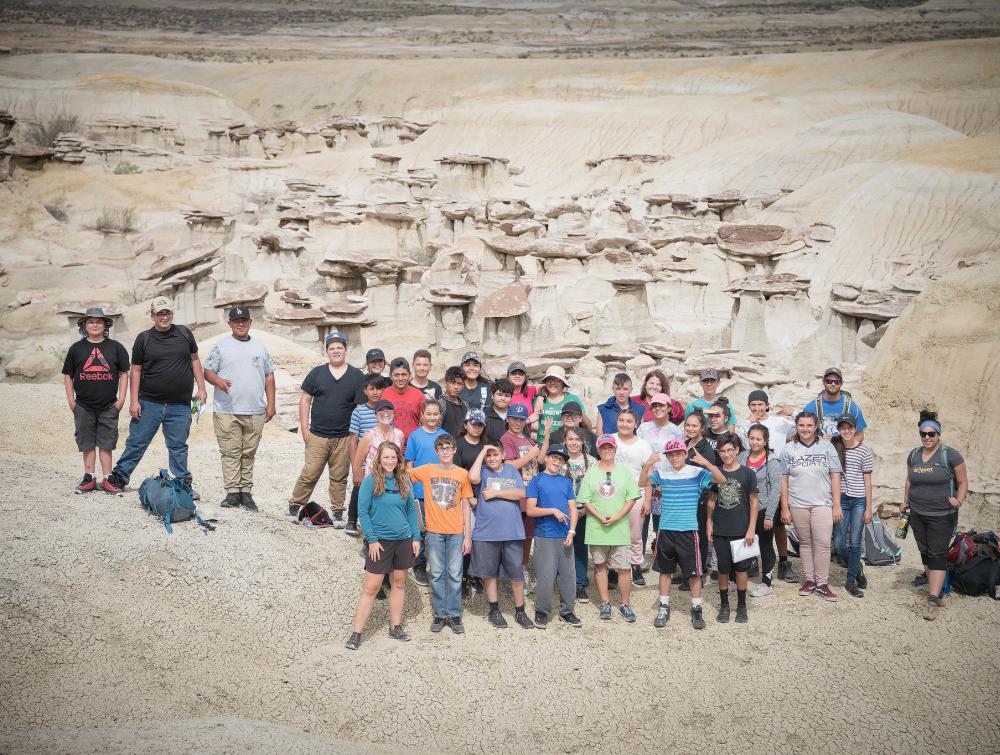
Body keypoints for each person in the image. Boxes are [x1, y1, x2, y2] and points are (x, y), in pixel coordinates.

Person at [105, 296, 207, 496]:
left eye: (167, 312)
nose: (164, 317)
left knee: (178, 446)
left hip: (180, 405)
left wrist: (201, 389)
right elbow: (135, 370)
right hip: (149, 403)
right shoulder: (144, 339)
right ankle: (119, 478)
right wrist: (134, 401)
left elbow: (195, 360)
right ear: (152, 316)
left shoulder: (184, 334)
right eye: (160, 313)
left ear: (172, 314)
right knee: (137, 442)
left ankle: (183, 484)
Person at [641, 440, 726, 630]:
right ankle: (664, 606)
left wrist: (706, 463)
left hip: (688, 530)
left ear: (684, 454)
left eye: (678, 453)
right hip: (666, 529)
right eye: (670, 454)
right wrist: (648, 464)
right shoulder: (662, 473)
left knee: (694, 572)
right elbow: (642, 482)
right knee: (665, 570)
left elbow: (721, 480)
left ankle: (697, 609)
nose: (674, 457)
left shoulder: (696, 473)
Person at [345, 441, 421, 650]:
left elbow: (411, 511)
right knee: (371, 587)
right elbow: (363, 512)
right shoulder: (371, 481)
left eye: (393, 458)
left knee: (399, 583)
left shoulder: (404, 479)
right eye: (386, 457)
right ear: (379, 459)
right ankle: (356, 633)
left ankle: (395, 626)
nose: (389, 461)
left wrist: (416, 537)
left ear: (399, 460)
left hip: (403, 539)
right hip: (380, 541)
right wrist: (372, 539)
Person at [287, 331, 365, 526]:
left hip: (344, 436)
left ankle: (338, 513)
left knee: (339, 477)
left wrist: (357, 436)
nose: (336, 351)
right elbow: (305, 399)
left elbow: (359, 408)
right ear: (327, 351)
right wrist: (304, 429)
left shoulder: (357, 375)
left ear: (346, 350)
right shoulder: (317, 373)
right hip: (317, 435)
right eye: (332, 348)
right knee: (309, 473)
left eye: (340, 347)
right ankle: (294, 507)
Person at [203, 306, 276, 511]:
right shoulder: (221, 346)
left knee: (249, 452)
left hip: (255, 410)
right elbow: (207, 371)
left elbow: (269, 375)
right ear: (230, 324)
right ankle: (233, 493)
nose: (241, 324)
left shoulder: (260, 347)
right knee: (231, 451)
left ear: (251, 322)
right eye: (236, 321)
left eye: (244, 320)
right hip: (227, 410)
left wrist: (271, 404)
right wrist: (218, 380)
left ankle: (246, 492)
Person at [902, 410, 968, 621]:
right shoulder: (913, 454)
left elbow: (963, 481)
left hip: (942, 514)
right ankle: (937, 594)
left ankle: (932, 600)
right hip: (917, 513)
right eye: (924, 434)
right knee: (925, 552)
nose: (927, 438)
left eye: (932, 434)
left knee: (937, 554)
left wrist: (959, 500)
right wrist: (905, 501)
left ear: (939, 434)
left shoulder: (950, 455)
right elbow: (909, 481)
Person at [409, 434, 474, 634]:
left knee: (455, 574)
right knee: (436, 573)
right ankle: (439, 613)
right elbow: (403, 475)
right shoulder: (428, 470)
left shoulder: (462, 474)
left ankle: (454, 614)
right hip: (435, 531)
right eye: (441, 448)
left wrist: (468, 536)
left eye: (449, 448)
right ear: (437, 451)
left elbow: (465, 505)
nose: (445, 451)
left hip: (456, 532)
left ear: (455, 450)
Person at [62, 307, 129, 494]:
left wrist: (122, 399)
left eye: (99, 322)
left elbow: (124, 374)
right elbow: (68, 376)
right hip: (83, 405)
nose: (95, 325)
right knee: (87, 442)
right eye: (90, 322)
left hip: (109, 405)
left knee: (107, 442)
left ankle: (108, 478)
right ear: (84, 325)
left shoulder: (116, 347)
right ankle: (89, 477)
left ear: (105, 325)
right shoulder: (76, 349)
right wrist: (71, 401)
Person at [468, 445, 535, 630]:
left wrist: (496, 493)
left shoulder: (511, 470)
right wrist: (482, 452)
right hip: (486, 532)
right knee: (489, 573)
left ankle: (520, 610)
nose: (491, 458)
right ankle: (494, 609)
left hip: (511, 530)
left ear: (503, 455)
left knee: (516, 572)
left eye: (495, 454)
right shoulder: (482, 471)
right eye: (488, 455)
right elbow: (472, 477)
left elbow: (522, 493)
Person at [779, 411, 843, 602]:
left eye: (809, 425)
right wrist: (785, 508)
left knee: (823, 543)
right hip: (798, 503)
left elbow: (835, 475)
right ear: (796, 427)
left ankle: (822, 584)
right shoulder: (788, 449)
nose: (805, 429)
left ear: (816, 427)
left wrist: (837, 505)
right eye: (801, 425)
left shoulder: (827, 447)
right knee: (805, 543)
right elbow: (783, 480)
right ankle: (809, 580)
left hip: (822, 503)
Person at [577, 434, 641, 622]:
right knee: (600, 566)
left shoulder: (624, 472)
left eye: (610, 447)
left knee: (623, 568)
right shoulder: (591, 473)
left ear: (615, 449)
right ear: (598, 449)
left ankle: (624, 603)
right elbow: (585, 500)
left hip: (619, 528)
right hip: (597, 528)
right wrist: (599, 516)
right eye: (603, 447)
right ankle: (605, 603)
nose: (607, 449)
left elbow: (631, 498)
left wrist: (617, 517)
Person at [738, 389, 798, 582]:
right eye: (753, 405)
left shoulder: (779, 422)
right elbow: (744, 444)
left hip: (776, 473)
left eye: (760, 404)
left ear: (767, 405)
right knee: (751, 524)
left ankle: (783, 561)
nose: (757, 408)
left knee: (778, 525)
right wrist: (749, 421)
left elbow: (801, 427)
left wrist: (792, 411)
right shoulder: (747, 425)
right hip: (754, 475)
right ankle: (753, 560)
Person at [526, 445, 581, 628]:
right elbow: (530, 510)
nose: (557, 461)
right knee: (546, 576)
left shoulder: (565, 482)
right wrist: (552, 511)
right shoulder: (536, 481)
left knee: (568, 576)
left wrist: (572, 531)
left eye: (561, 459)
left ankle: (567, 611)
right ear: (547, 458)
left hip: (565, 535)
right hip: (545, 535)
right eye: (554, 457)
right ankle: (542, 611)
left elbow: (573, 509)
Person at [707, 433, 759, 624]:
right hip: (721, 529)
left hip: (741, 529)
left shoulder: (747, 473)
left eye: (730, 450)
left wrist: (751, 528)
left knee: (741, 569)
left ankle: (742, 606)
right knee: (722, 569)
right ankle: (724, 605)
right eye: (722, 451)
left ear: (737, 450)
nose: (726, 454)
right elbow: (711, 500)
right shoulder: (716, 473)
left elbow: (754, 501)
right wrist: (709, 523)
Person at [404, 400, 446, 586]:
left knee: (436, 529)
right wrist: (410, 488)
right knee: (419, 531)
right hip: (420, 490)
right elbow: (409, 463)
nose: (432, 417)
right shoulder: (415, 436)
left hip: (439, 489)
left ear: (440, 415)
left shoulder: (444, 436)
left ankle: (437, 564)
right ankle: (419, 565)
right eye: (428, 414)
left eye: (435, 414)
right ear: (422, 414)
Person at [832, 414, 874, 598]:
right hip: (840, 499)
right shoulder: (834, 448)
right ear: (839, 429)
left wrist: (868, 508)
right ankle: (857, 567)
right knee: (839, 544)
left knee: (855, 542)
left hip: (858, 500)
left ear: (855, 429)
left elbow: (867, 480)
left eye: (849, 428)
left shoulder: (864, 451)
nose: (846, 431)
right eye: (843, 428)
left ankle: (850, 581)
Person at [739, 424, 783, 598]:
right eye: (752, 438)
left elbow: (775, 489)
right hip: (743, 509)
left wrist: (770, 515)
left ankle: (766, 582)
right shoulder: (742, 457)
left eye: (758, 439)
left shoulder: (771, 461)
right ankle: (738, 577)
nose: (754, 442)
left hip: (763, 509)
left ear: (765, 441)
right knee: (742, 543)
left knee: (765, 545)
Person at [501, 402, 540, 592]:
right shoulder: (506, 439)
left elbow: (538, 461)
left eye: (521, 419)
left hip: (530, 495)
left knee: (528, 536)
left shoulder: (528, 440)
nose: (517, 422)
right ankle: (513, 573)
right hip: (516, 494)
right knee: (515, 537)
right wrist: (529, 456)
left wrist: (546, 435)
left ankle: (523, 569)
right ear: (508, 418)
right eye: (514, 418)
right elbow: (508, 466)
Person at [612, 409, 653, 586]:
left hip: (637, 493)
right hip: (612, 494)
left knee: (635, 533)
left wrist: (648, 500)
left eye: (629, 421)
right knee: (614, 532)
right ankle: (614, 568)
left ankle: (635, 564)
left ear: (636, 424)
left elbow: (649, 474)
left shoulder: (643, 445)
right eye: (621, 420)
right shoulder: (611, 440)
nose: (624, 424)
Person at [681, 408, 721, 587]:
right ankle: (687, 571)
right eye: (687, 425)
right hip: (684, 497)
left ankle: (699, 573)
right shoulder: (685, 444)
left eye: (694, 426)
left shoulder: (705, 449)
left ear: (702, 428)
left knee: (699, 538)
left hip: (699, 498)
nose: (690, 428)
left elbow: (711, 477)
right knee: (686, 536)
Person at [345, 374, 388, 536]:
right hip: (364, 460)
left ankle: (374, 524)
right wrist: (356, 467)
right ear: (365, 390)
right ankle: (351, 520)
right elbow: (353, 441)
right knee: (359, 489)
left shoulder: (387, 412)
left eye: (379, 388)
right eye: (371, 389)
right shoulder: (359, 412)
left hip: (383, 461)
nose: (375, 392)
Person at [562, 427, 596, 603]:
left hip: (583, 510)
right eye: (570, 439)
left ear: (582, 442)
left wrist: (584, 511)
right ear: (565, 441)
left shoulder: (592, 462)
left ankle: (580, 584)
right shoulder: (558, 460)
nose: (573, 442)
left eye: (577, 439)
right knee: (562, 548)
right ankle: (562, 581)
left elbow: (596, 490)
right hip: (562, 511)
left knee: (581, 549)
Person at [803, 366, 867, 441]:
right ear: (823, 382)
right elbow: (803, 434)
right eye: (829, 381)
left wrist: (844, 446)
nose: (833, 384)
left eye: (837, 381)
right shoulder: (811, 408)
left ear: (841, 383)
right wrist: (819, 440)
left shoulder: (852, 407)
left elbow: (860, 435)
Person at [533, 364, 589, 443]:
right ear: (545, 383)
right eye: (549, 379)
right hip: (542, 444)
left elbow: (585, 423)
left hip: (565, 445)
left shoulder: (573, 399)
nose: (552, 383)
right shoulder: (538, 400)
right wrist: (539, 397)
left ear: (563, 383)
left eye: (557, 380)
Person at [384, 357, 425, 442]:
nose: (400, 378)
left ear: (409, 375)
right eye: (396, 375)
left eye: (404, 374)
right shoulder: (385, 394)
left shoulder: (418, 395)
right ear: (390, 376)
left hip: (413, 446)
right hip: (390, 447)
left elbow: (425, 422)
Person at [440, 366, 469, 438]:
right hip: (445, 446)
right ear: (445, 383)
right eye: (453, 383)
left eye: (459, 383)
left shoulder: (465, 405)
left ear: (463, 386)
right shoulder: (441, 404)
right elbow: (435, 429)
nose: (456, 387)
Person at [484, 378, 513, 443]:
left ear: (511, 398)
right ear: (492, 395)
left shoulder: (516, 415)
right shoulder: (483, 415)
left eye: (507, 395)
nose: (503, 398)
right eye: (499, 394)